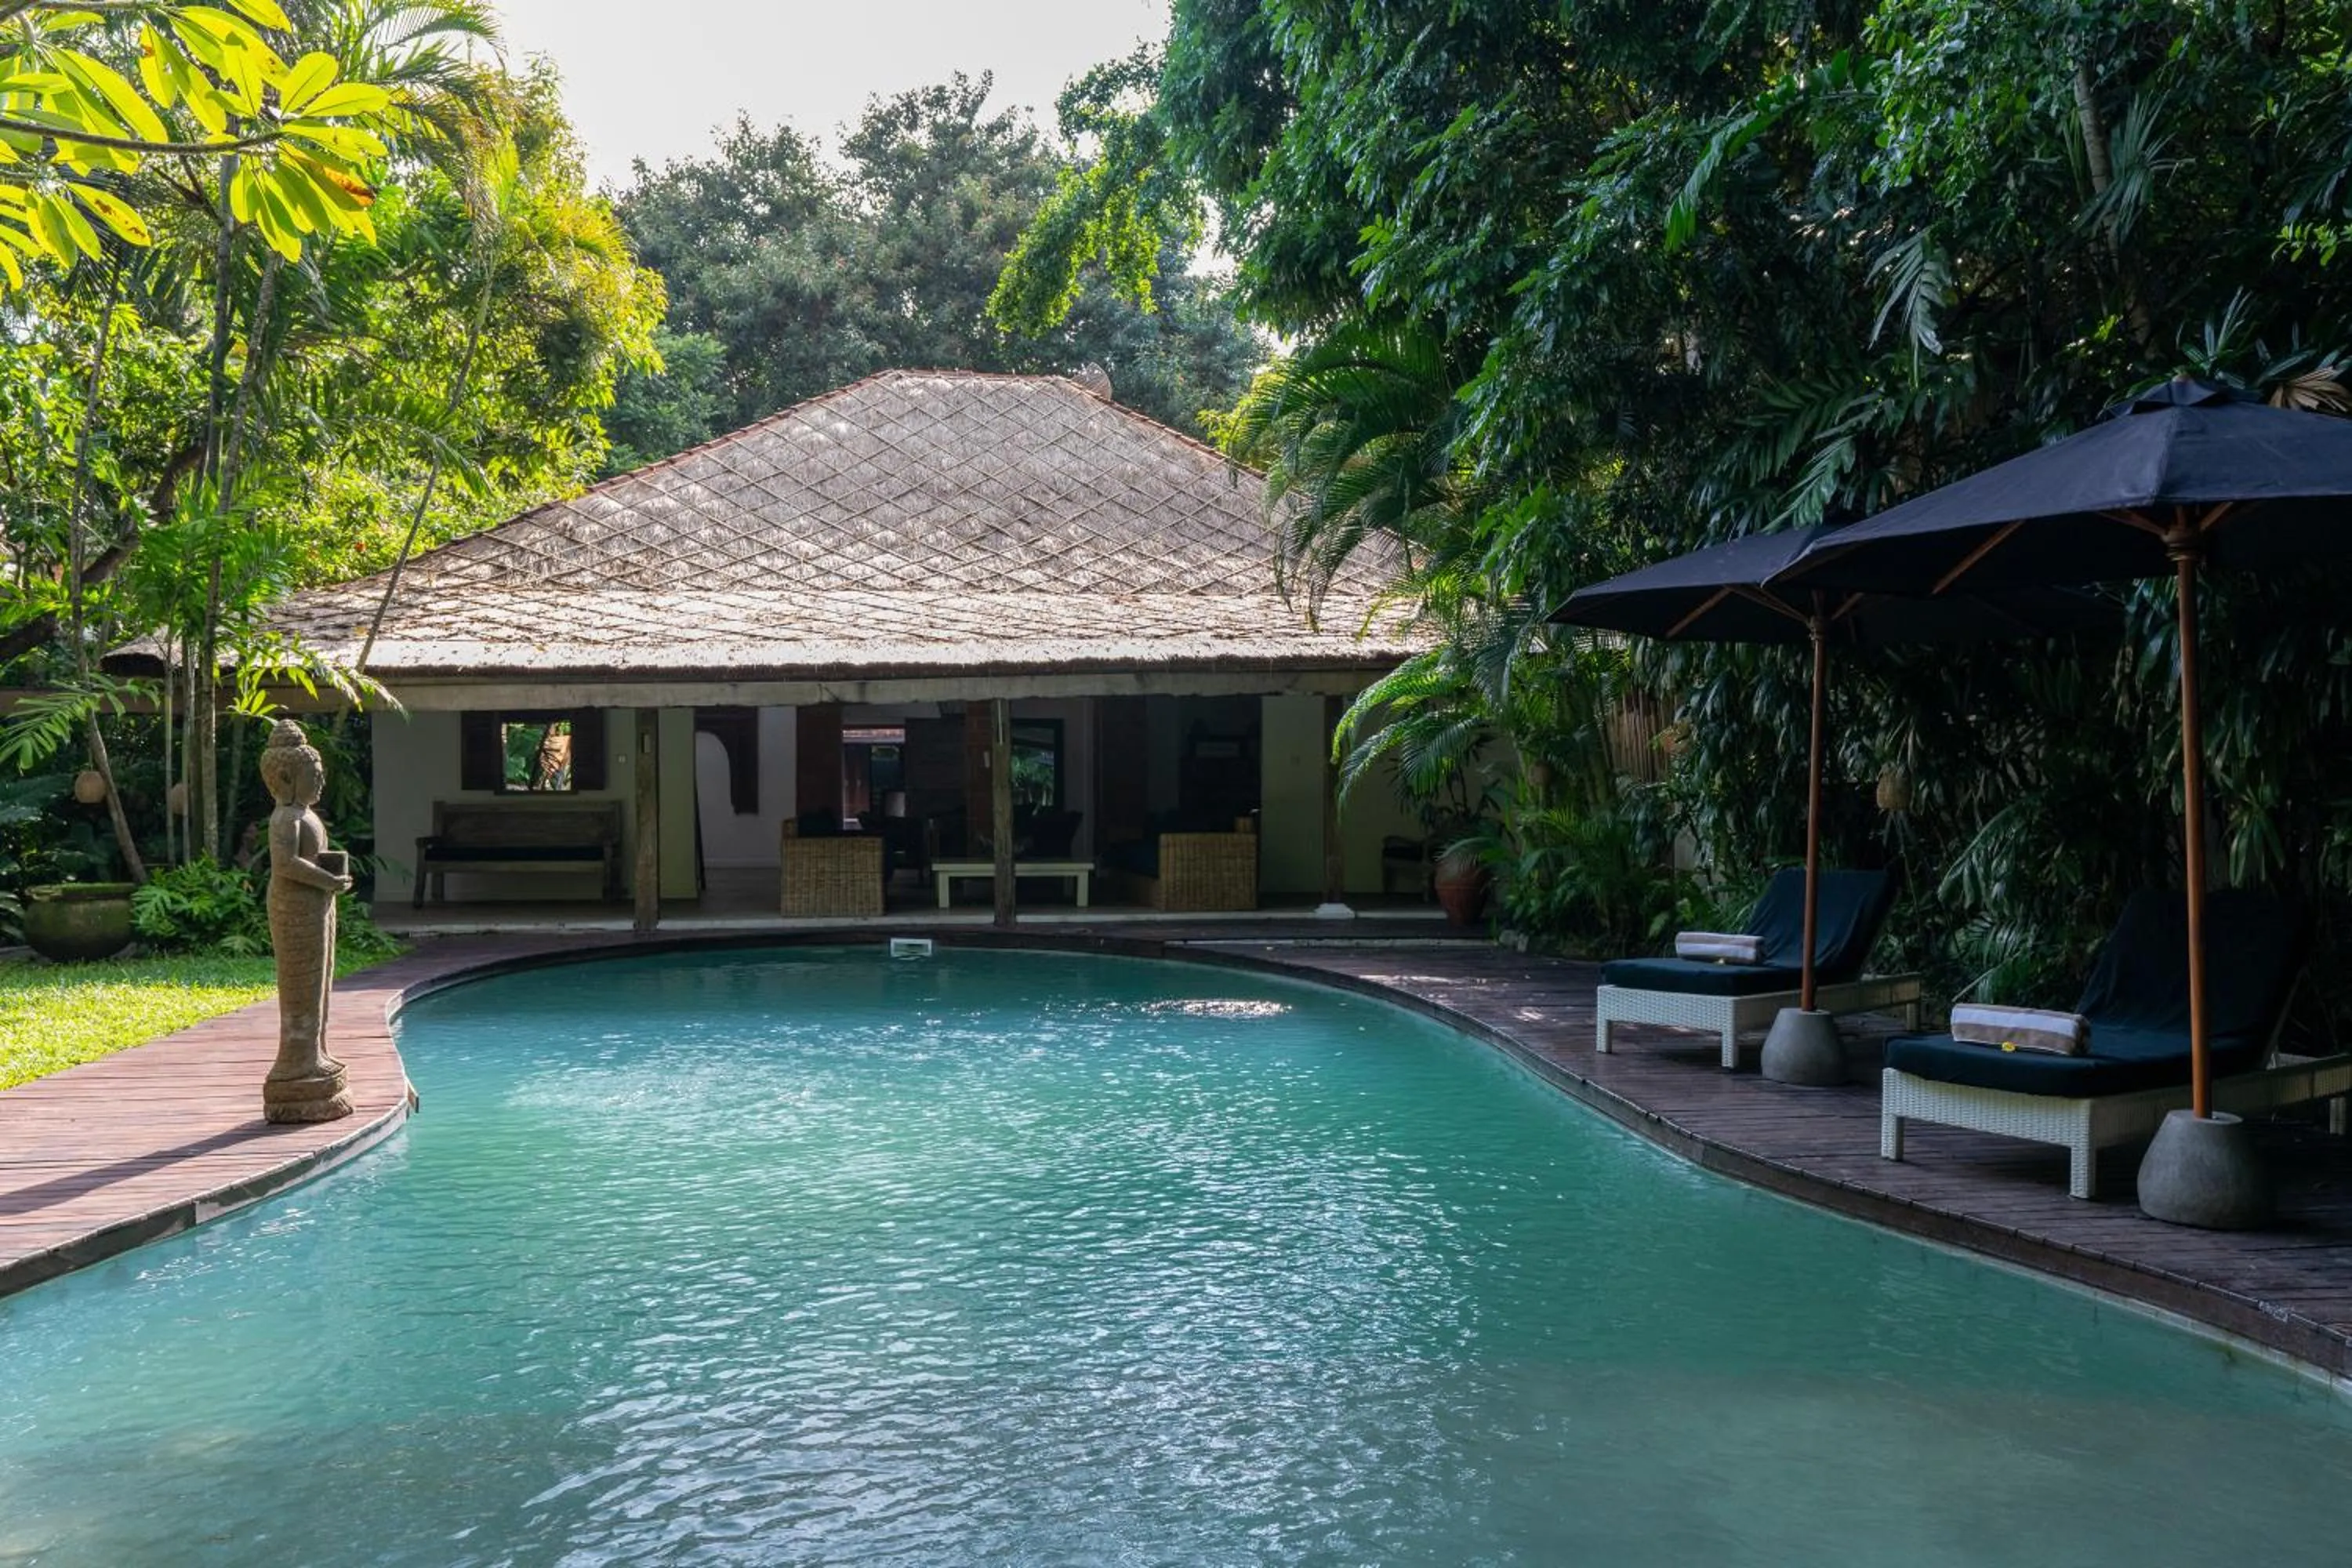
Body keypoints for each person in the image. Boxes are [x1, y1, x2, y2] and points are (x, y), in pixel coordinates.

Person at [260, 720, 354, 1123]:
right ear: (285, 778)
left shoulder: (304, 815)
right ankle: (294, 1062)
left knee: (321, 978)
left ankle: (316, 1050)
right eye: (314, 776)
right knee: (301, 980)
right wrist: (327, 880)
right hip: (295, 907)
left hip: (317, 903)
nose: (321, 782)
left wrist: (329, 882)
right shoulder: (284, 818)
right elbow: (285, 864)